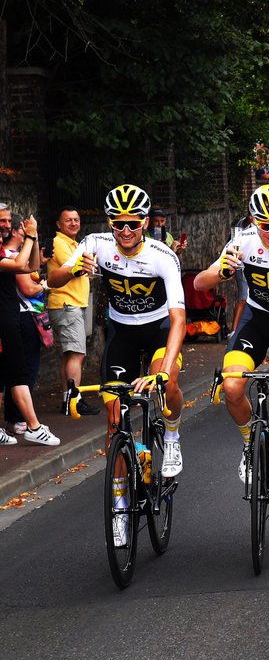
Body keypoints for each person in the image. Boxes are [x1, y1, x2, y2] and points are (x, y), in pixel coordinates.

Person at [49, 185, 186, 547]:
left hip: (158, 330)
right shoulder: (95, 244)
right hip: (121, 335)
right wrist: (74, 268)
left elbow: (178, 321)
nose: (125, 231)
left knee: (167, 379)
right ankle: (121, 506)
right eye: (118, 224)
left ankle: (171, 435)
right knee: (114, 423)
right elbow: (52, 279)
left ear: (144, 221)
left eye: (133, 223)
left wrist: (163, 368)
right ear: (110, 223)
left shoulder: (162, 256)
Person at [194, 184, 269, 517]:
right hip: (258, 319)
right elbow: (198, 284)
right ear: (253, 220)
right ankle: (252, 443)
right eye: (266, 225)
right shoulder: (242, 243)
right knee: (232, 386)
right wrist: (221, 272)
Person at [0, 206, 60, 446]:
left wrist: (32, 241)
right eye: (1, 221)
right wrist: (31, 237)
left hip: (8, 319)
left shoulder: (5, 251)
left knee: (9, 377)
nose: (5, 224)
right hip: (5, 322)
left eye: (7, 220)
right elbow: (19, 265)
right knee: (19, 376)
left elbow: (32, 265)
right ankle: (33, 427)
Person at [45, 206, 101, 416]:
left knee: (71, 355)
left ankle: (68, 399)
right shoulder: (58, 243)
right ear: (59, 224)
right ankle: (73, 402)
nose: (74, 223)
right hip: (67, 304)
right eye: (68, 220)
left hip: (73, 303)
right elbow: (77, 266)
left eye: (76, 220)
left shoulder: (73, 243)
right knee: (76, 354)